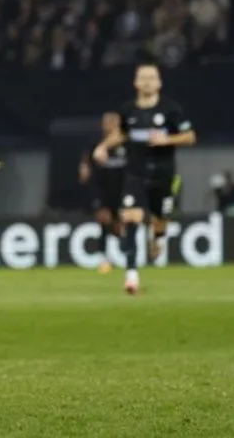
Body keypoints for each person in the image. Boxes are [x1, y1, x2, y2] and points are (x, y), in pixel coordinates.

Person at [95, 63, 195, 295]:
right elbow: (121, 133)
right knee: (131, 217)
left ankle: (157, 239)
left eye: (152, 77)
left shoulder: (171, 109)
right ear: (136, 83)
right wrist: (103, 146)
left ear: (159, 83)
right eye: (143, 78)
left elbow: (190, 136)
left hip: (163, 172)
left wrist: (167, 140)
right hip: (136, 172)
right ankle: (131, 275)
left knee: (160, 220)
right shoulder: (128, 110)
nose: (148, 81)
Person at [79, 111, 126, 274]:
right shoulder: (96, 144)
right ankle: (103, 259)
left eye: (114, 122)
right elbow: (86, 164)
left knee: (120, 226)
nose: (110, 125)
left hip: (122, 190)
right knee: (104, 222)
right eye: (107, 121)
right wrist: (84, 167)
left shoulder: (125, 144)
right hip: (102, 191)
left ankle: (127, 256)